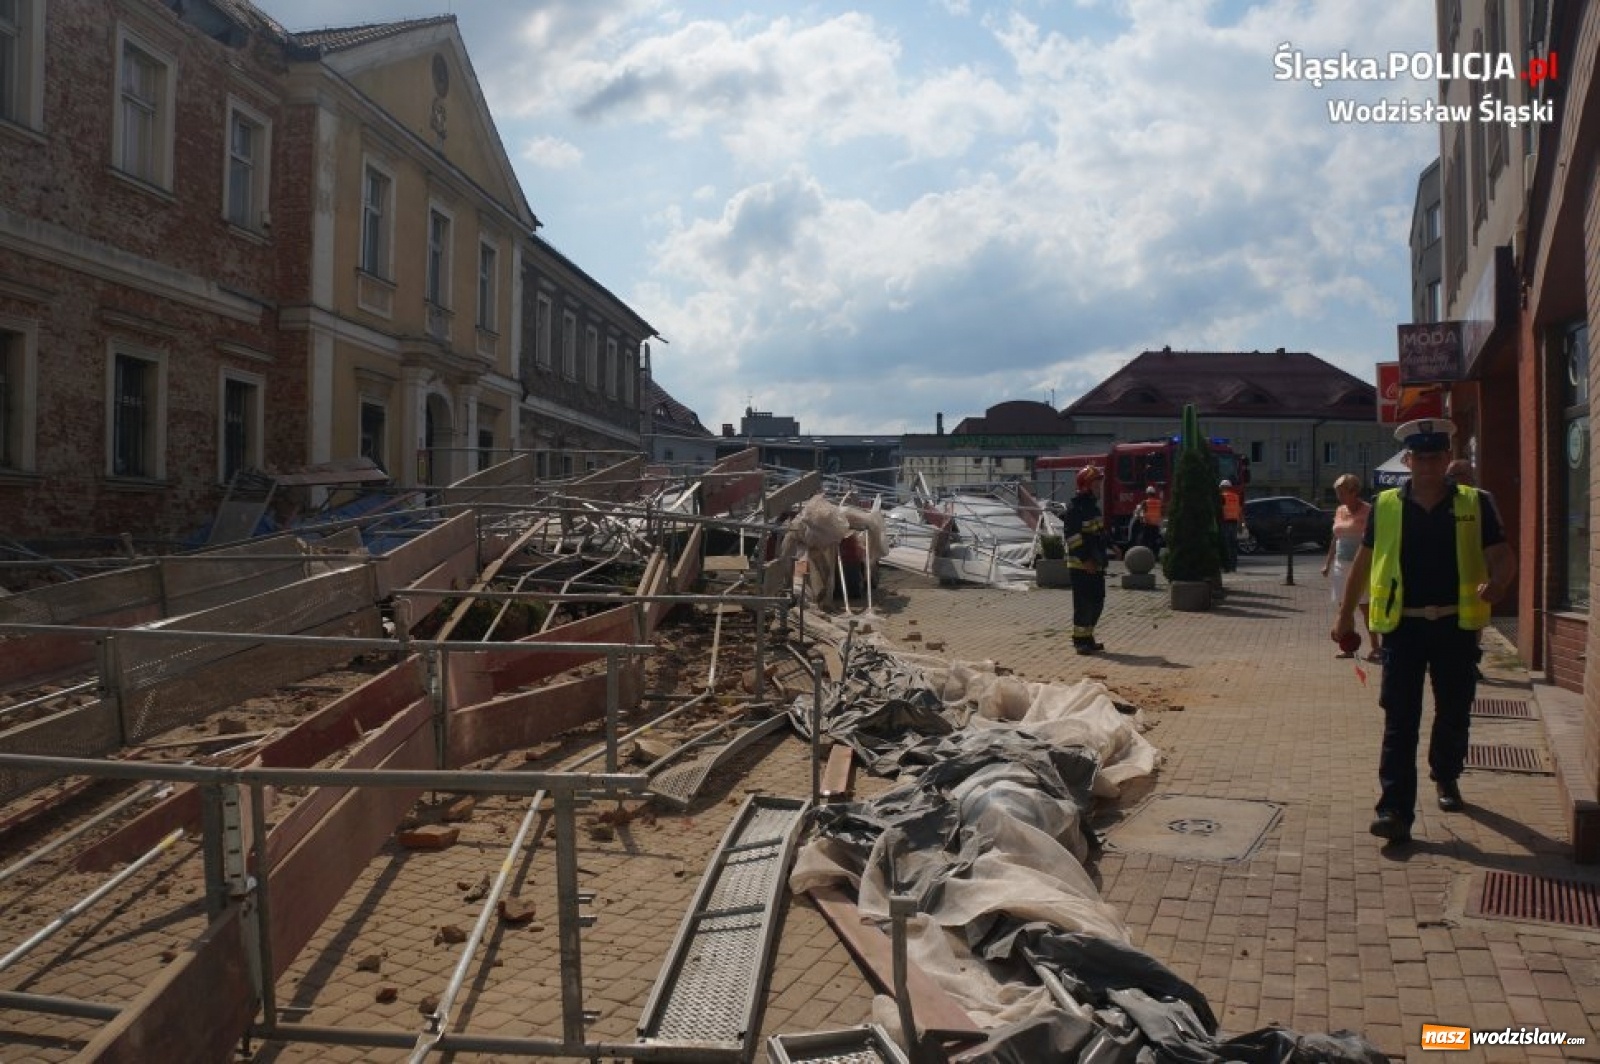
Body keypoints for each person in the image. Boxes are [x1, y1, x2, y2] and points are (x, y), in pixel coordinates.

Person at [1332, 419, 1517, 847]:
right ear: (1408, 461)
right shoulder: (1386, 506)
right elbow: (1364, 562)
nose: (1429, 465)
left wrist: (1501, 582)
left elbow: (1502, 555)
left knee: (1453, 710)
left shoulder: (1475, 502)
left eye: (1436, 457)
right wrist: (1344, 617)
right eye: (1421, 457)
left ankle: (1446, 775)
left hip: (1456, 626)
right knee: (1400, 718)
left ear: (1446, 458)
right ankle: (1394, 810)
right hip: (1403, 627)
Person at [1321, 474, 1379, 661]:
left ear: (1354, 491)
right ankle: (1348, 647)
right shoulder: (1340, 510)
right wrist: (1328, 563)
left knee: (1365, 606)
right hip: (1341, 565)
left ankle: (1375, 647)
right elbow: (1335, 538)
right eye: (1337, 493)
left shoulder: (1368, 510)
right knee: (1344, 608)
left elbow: (1375, 538)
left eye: (1342, 492)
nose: (1339, 497)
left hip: (1361, 565)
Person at [1064, 465, 1110, 655]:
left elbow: (1100, 533)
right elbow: (1072, 537)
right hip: (1081, 565)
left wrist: (1113, 546)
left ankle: (1088, 637)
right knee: (1083, 604)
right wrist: (1085, 560)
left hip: (1096, 564)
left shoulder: (1094, 508)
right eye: (1096, 484)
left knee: (1097, 602)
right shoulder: (1076, 509)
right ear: (1086, 486)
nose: (1099, 488)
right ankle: (1079, 641)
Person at [1219, 480, 1243, 572]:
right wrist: (1240, 525)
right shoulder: (1236, 497)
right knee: (1233, 545)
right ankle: (1233, 567)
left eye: (1221, 487)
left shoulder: (1222, 497)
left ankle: (1227, 567)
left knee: (1226, 545)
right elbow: (1240, 512)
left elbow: (1220, 510)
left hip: (1225, 523)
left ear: (1223, 487)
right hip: (1234, 523)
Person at [1130, 485, 1162, 552]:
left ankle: (1144, 553)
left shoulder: (1145, 502)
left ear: (1147, 494)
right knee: (1155, 541)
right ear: (1154, 494)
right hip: (1156, 526)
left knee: (1143, 541)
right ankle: (1155, 554)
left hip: (1148, 525)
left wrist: (1139, 516)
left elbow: (1138, 512)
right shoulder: (1159, 502)